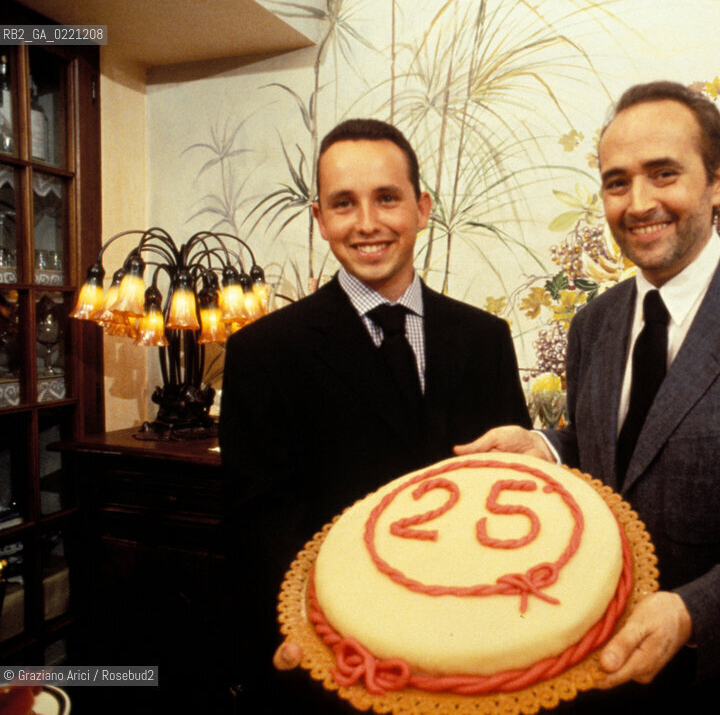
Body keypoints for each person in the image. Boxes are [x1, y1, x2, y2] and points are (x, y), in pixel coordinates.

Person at [457, 81, 720, 713]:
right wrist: (545, 449)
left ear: (718, 180)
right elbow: (625, 452)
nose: (639, 203)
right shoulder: (594, 324)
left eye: (665, 174)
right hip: (607, 683)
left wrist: (692, 614)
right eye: (616, 182)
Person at [219, 118, 531, 713]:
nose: (366, 223)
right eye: (344, 203)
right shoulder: (264, 350)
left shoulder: (485, 337)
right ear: (320, 219)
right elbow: (259, 518)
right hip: (338, 658)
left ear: (422, 207)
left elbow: (507, 488)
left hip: (468, 645)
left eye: (387, 198)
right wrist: (314, 632)